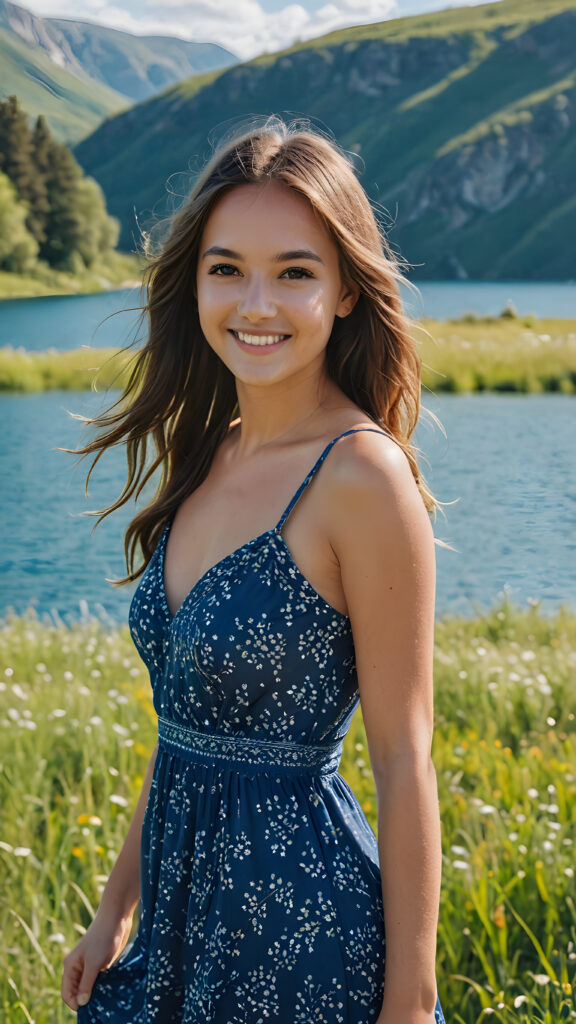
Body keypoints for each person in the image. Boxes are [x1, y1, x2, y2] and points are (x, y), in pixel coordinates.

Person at [61, 117, 449, 1023]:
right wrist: (114, 913)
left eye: (296, 273)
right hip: (180, 928)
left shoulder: (361, 475)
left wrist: (408, 1004)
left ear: (347, 290)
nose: (256, 304)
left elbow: (403, 758)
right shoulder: (210, 455)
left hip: (305, 936)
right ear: (194, 281)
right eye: (227, 268)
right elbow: (184, 727)